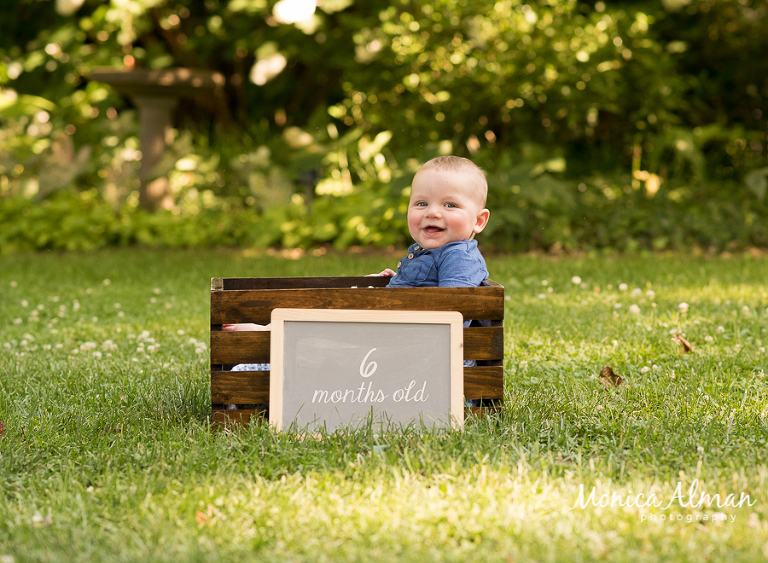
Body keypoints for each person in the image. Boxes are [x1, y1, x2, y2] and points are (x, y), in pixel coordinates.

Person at [224, 155, 492, 406]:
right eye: (422, 203)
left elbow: (452, 311)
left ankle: (274, 340)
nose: (432, 212)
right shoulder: (431, 252)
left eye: (450, 205)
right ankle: (277, 331)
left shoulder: (460, 258)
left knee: (332, 333)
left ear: (479, 221)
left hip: (421, 362)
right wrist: (394, 283)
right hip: (399, 346)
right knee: (339, 305)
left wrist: (384, 305)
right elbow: (427, 289)